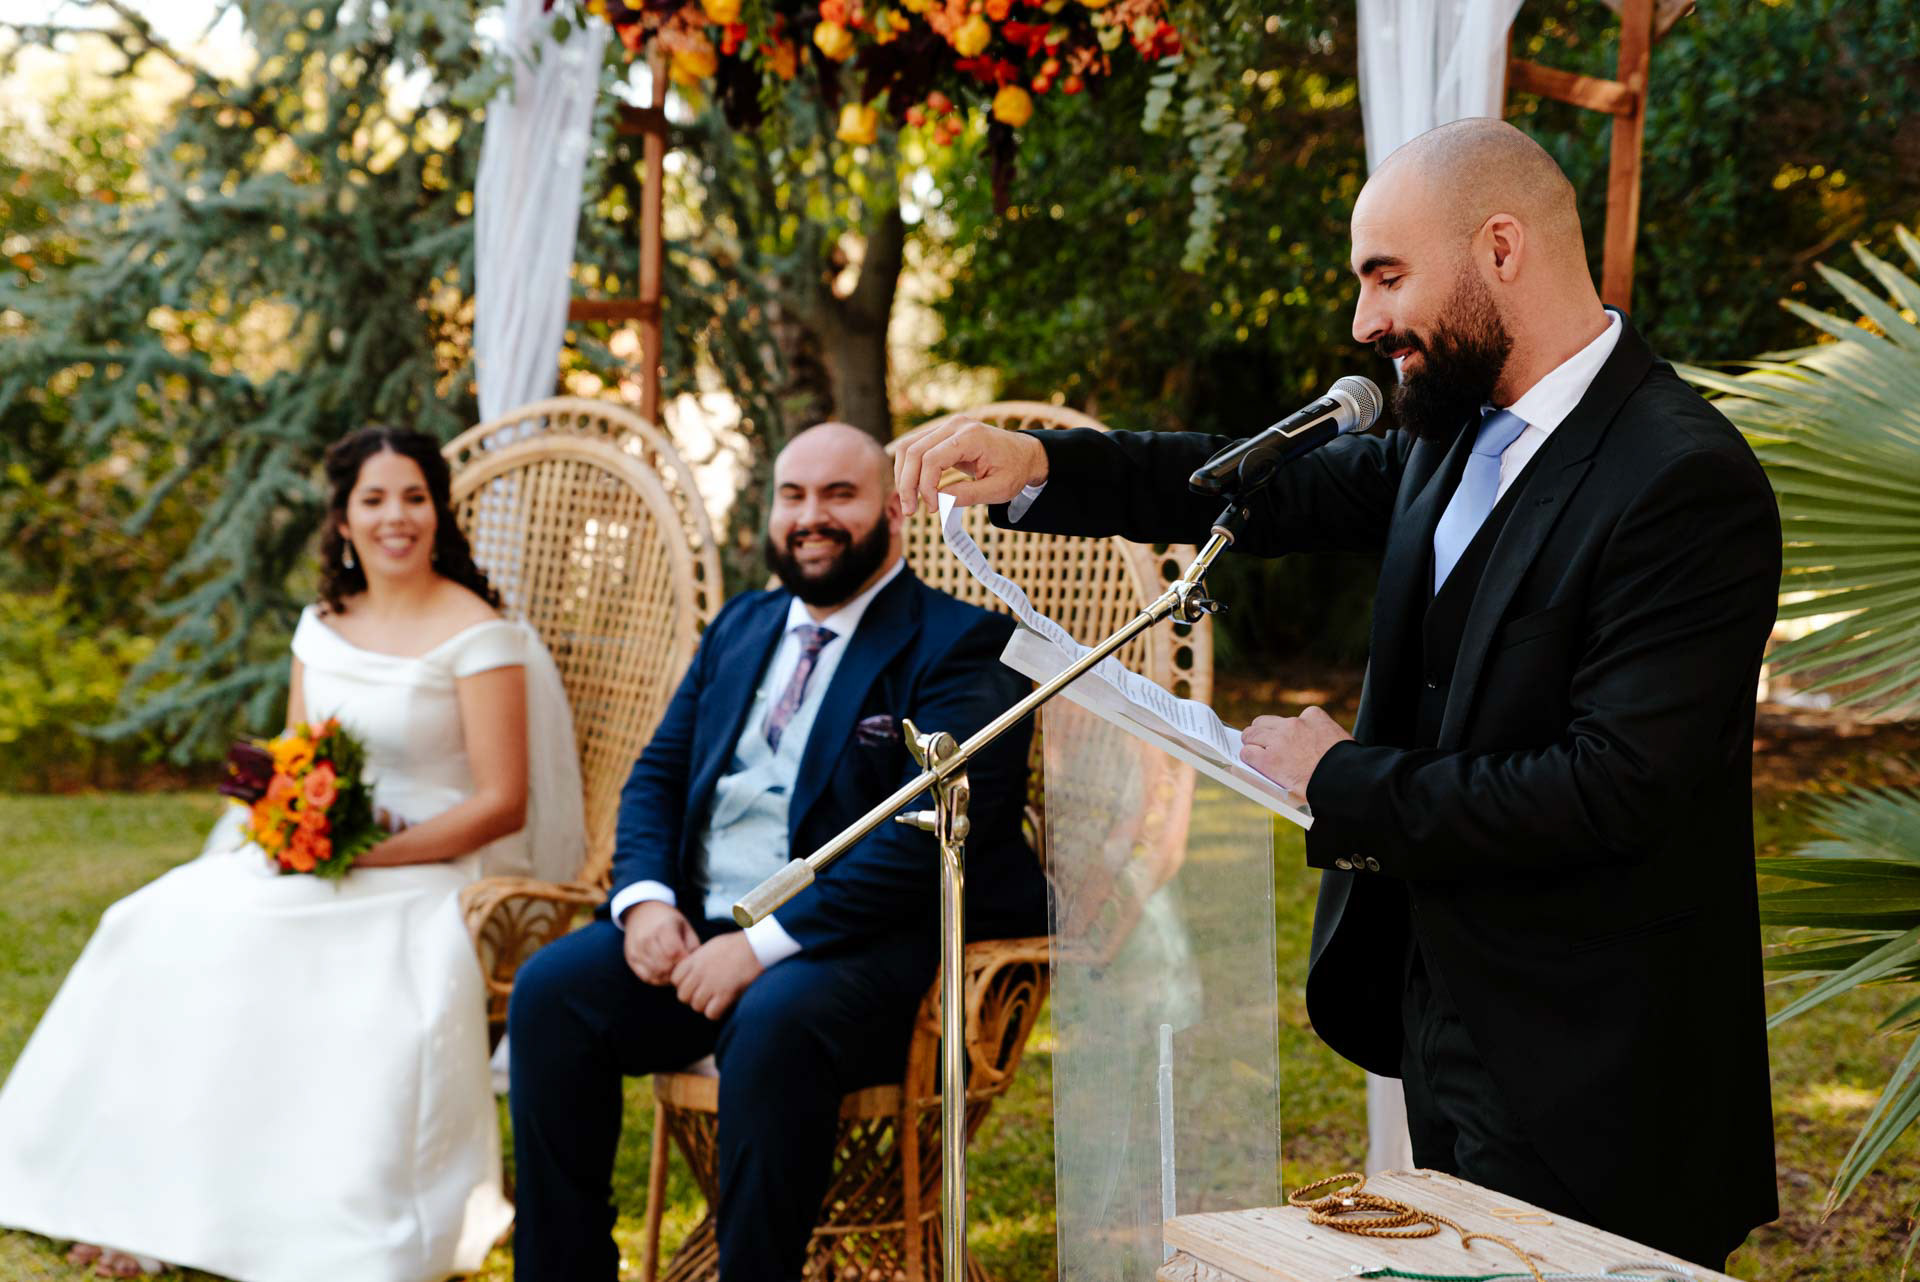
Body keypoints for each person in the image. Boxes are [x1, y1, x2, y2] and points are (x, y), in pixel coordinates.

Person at [894, 118, 1781, 1269]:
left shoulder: (1683, 478)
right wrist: (1048, 468)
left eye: (1387, 276)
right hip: (1444, 1010)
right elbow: (1264, 485)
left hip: (1603, 1063)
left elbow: (1616, 790)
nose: (1365, 323)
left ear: (1501, 247)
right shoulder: (1450, 428)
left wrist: (1340, 780)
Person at [0, 425, 584, 1281]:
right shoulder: (322, 624)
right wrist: (286, 831)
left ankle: (272, 1215)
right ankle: (130, 1195)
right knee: (156, 920)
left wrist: (371, 856)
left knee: (281, 946)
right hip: (319, 852)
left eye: (414, 498)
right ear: (343, 520)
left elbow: (501, 803)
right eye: (373, 500)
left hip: (426, 871)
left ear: (438, 511)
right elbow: (295, 756)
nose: (396, 517)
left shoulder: (480, 632)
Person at [507, 421, 1048, 1281]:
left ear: (893, 509)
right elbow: (656, 775)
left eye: (840, 494)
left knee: (772, 1023)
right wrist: (643, 901)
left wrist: (757, 947)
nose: (811, 516)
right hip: (698, 929)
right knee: (552, 993)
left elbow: (937, 836)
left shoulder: (960, 643)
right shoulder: (743, 625)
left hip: (855, 949)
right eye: (793, 495)